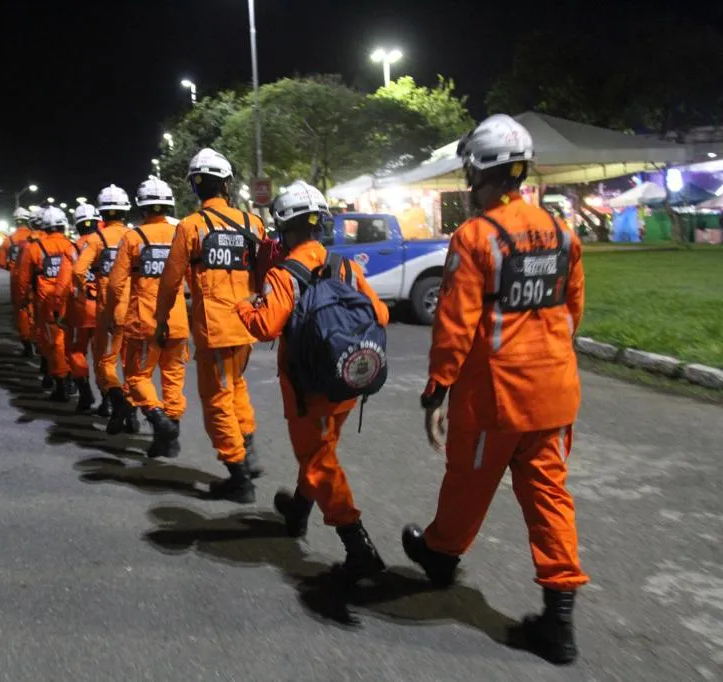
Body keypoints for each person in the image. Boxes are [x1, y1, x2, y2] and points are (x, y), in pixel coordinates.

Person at [404, 114, 587, 665]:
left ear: (479, 174)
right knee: (550, 498)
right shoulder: (562, 232)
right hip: (555, 396)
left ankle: (440, 555)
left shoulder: (475, 236)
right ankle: (559, 622)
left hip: (495, 401)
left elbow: (455, 325)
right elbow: (572, 310)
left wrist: (437, 389)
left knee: (468, 484)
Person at [236, 181, 388, 580]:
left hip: (308, 391)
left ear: (285, 230)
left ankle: (359, 546)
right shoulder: (345, 266)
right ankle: (298, 510)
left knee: (319, 462)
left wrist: (244, 307)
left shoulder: (284, 275)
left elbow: (267, 327)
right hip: (346, 380)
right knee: (321, 452)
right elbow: (381, 316)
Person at [154, 148, 265, 503]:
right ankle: (248, 452)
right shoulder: (252, 223)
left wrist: (161, 320)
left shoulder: (191, 227)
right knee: (236, 389)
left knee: (217, 400)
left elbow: (171, 282)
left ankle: (239, 475)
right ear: (228, 184)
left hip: (215, 332)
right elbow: (265, 274)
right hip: (247, 326)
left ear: (195, 187)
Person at [105, 177, 189, 458]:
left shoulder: (133, 238)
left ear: (141, 207)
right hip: (177, 321)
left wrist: (112, 312)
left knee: (137, 376)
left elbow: (116, 285)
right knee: (173, 378)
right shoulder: (181, 233)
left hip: (145, 322)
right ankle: (169, 438)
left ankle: (157, 419)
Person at [73, 184, 138, 433]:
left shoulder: (96, 239)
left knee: (104, 362)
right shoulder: (134, 236)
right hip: (132, 309)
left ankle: (115, 399)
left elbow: (79, 271)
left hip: (106, 311)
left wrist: (90, 287)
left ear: (102, 213)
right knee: (131, 365)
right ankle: (131, 413)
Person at [17, 205, 77, 401]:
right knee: (71, 342)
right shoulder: (72, 245)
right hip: (71, 300)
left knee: (54, 343)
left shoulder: (35, 248)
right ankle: (74, 378)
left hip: (47, 301)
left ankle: (62, 382)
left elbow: (23, 279)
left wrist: (22, 300)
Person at [65, 201, 102, 413]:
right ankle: (108, 399)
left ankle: (85, 392)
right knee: (102, 358)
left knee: (76, 351)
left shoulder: (72, 249)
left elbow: (64, 283)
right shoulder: (106, 243)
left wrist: (59, 311)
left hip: (79, 310)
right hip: (104, 309)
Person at [0, 207, 37, 357]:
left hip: (16, 278)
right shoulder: (34, 237)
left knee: (21, 310)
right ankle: (38, 340)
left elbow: (1, 262)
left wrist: (13, 268)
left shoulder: (9, 240)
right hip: (35, 277)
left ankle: (26, 342)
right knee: (37, 309)